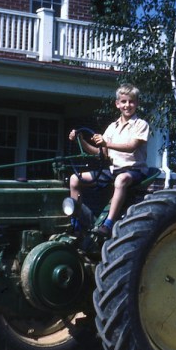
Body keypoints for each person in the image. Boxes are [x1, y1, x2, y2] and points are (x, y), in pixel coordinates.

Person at [68, 84, 150, 237]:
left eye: (131, 101)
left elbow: (131, 147)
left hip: (134, 171)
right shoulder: (112, 127)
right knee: (74, 179)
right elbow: (101, 153)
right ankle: (76, 223)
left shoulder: (141, 125)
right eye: (124, 101)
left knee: (120, 180)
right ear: (117, 104)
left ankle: (108, 224)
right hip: (113, 170)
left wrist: (106, 143)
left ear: (137, 103)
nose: (127, 105)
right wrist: (81, 140)